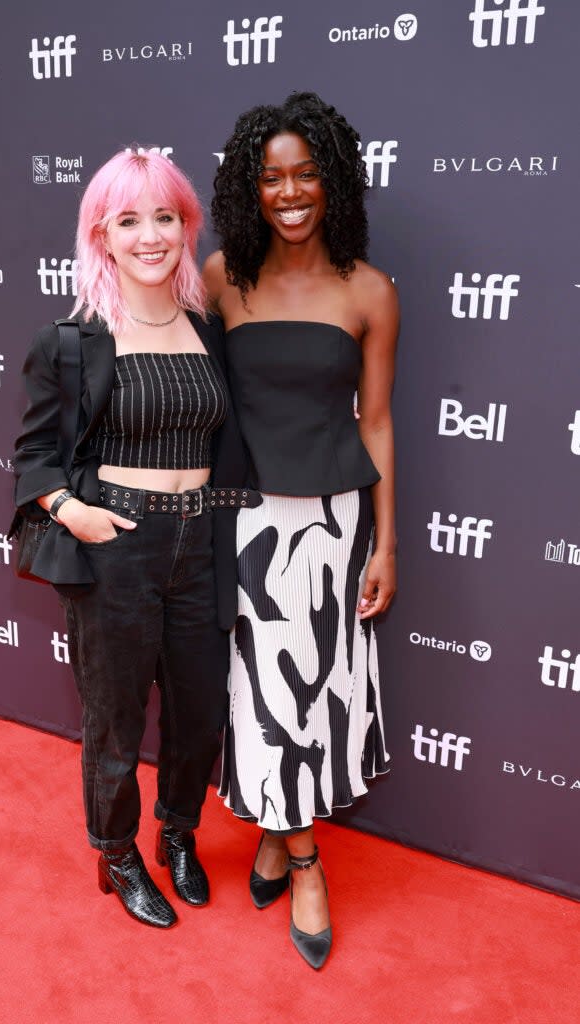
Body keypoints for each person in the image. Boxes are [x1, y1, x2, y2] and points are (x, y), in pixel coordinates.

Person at [13, 149, 249, 929]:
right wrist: (68, 509)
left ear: (187, 228)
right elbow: (36, 454)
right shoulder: (73, 339)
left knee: (198, 710)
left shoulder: (208, 329)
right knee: (113, 718)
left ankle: (178, 832)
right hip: (117, 540)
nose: (150, 235)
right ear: (101, 236)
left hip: (201, 540)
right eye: (128, 220)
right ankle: (117, 853)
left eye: (166, 217)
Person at [204, 92, 399, 968]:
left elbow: (378, 423)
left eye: (306, 174)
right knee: (265, 696)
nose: (289, 192)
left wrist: (386, 542)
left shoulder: (369, 290)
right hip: (245, 520)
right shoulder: (220, 279)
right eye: (271, 177)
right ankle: (307, 858)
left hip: (332, 521)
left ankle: (282, 839)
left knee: (313, 696)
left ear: (335, 182)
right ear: (252, 188)